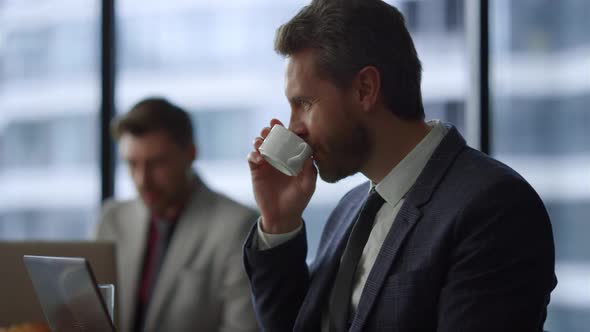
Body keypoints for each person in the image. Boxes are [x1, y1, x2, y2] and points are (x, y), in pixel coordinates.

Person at [244, 0, 557, 331]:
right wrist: (279, 222)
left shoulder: (494, 208)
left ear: (365, 89)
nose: (293, 128)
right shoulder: (349, 209)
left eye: (304, 103)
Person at [97, 98, 258, 332]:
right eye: (132, 164)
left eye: (157, 163)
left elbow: (242, 328)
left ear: (190, 154)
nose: (143, 181)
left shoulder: (238, 227)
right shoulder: (112, 218)